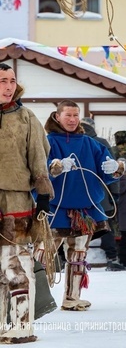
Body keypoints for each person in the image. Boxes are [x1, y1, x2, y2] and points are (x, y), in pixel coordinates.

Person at [45, 100, 125, 311]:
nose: (72, 119)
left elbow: (108, 172)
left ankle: (72, 297)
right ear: (57, 117)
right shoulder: (47, 142)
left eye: (75, 115)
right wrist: (55, 167)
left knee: (79, 255)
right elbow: (36, 169)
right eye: (68, 115)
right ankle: (36, 297)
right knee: (44, 254)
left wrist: (115, 168)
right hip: (56, 207)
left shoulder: (91, 143)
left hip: (86, 209)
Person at [0, 63, 55, 343]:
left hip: (16, 200)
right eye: (2, 81)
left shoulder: (25, 117)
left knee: (16, 266)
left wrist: (43, 195)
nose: (8, 86)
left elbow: (38, 155)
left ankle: (22, 326)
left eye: (11, 80)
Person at [80, 117, 124, 272]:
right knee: (104, 227)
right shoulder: (101, 142)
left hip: (76, 195)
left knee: (73, 227)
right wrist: (115, 193)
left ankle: (68, 258)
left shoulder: (72, 141)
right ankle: (112, 258)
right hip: (101, 194)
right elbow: (112, 170)